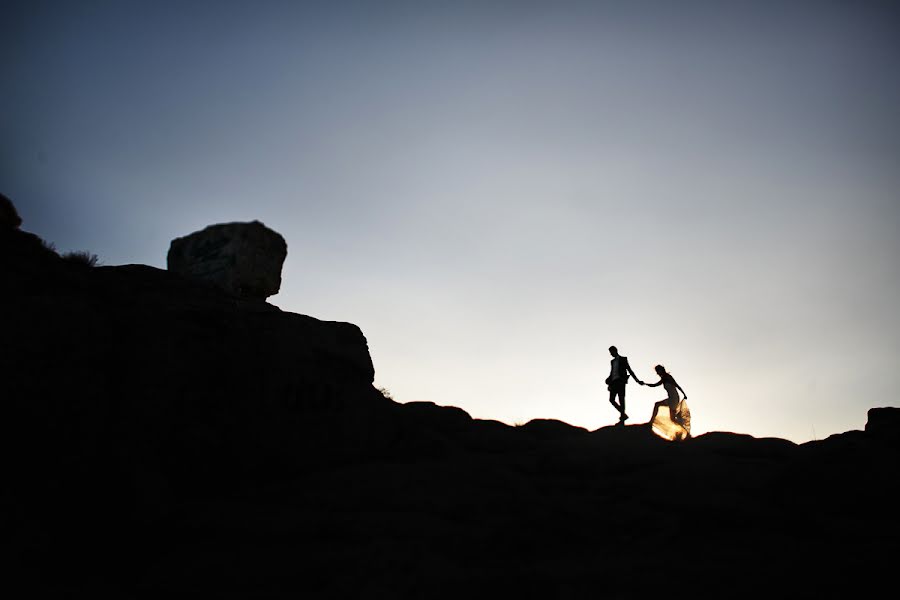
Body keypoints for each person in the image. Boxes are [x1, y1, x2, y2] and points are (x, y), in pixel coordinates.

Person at [605, 346, 644, 425]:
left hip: (621, 381)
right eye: (610, 352)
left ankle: (622, 419)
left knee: (621, 399)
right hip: (614, 382)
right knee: (611, 400)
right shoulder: (612, 362)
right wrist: (608, 380)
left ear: (615, 351)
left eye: (611, 352)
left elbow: (630, 370)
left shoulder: (623, 359)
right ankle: (623, 414)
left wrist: (637, 380)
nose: (611, 354)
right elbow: (612, 372)